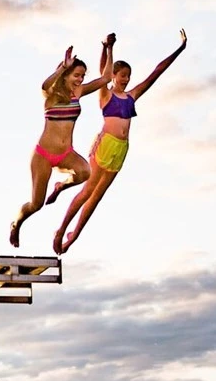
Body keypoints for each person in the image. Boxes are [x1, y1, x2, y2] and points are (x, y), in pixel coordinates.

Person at [52, 29, 187, 254]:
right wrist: (108, 47)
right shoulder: (106, 94)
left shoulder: (131, 96)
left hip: (121, 150)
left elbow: (156, 73)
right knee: (87, 191)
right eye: (123, 75)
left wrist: (179, 49)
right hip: (105, 145)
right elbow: (103, 71)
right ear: (115, 76)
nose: (126, 79)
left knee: (96, 198)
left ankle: (73, 237)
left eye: (128, 76)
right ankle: (61, 229)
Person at [9, 37, 114, 248]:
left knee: (85, 172)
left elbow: (106, 78)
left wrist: (108, 48)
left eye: (82, 76)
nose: (80, 80)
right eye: (76, 75)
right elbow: (45, 85)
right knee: (36, 204)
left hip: (66, 154)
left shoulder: (79, 92)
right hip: (43, 155)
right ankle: (17, 223)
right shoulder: (51, 95)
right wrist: (62, 68)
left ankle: (60, 186)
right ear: (66, 75)